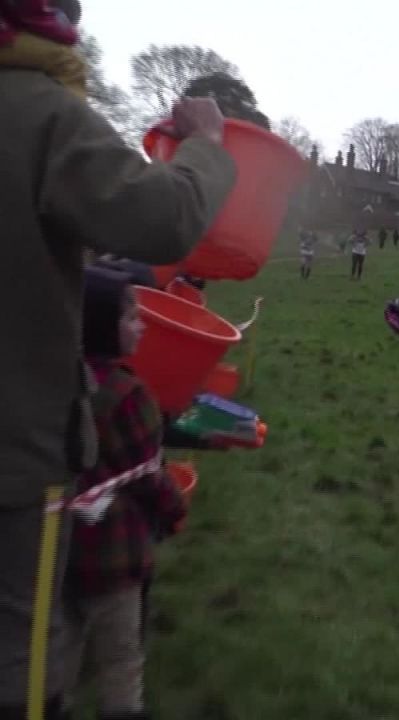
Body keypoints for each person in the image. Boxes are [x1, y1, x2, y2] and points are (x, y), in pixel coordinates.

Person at [0, 1, 236, 713]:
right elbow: (160, 218)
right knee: (23, 654)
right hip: (16, 452)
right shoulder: (37, 110)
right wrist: (206, 146)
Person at [64, 268, 188, 720]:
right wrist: (175, 511)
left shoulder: (60, 380)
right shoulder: (128, 394)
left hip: (58, 547)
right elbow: (147, 475)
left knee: (60, 655)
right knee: (122, 660)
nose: (143, 324)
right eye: (132, 316)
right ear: (102, 324)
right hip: (114, 556)